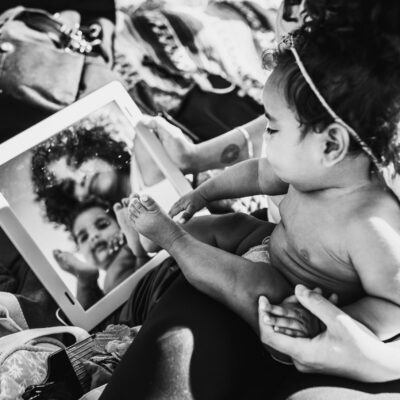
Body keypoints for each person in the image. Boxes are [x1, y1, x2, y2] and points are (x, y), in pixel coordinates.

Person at [119, 2, 400, 345]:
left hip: (289, 302)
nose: (265, 138)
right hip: (269, 246)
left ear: (330, 146)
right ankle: (161, 239)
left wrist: (325, 322)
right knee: (229, 226)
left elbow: (393, 306)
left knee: (257, 285)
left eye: (272, 128)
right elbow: (256, 173)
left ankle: (173, 241)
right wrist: (203, 194)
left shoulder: (370, 224)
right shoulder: (311, 170)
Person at [53, 198, 148, 309]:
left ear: (120, 225)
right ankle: (85, 280)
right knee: (88, 309)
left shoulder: (127, 249)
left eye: (102, 225)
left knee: (140, 255)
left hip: (143, 281)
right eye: (84, 237)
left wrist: (129, 239)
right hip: (116, 310)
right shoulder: (105, 287)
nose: (94, 236)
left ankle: (136, 237)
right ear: (81, 253)